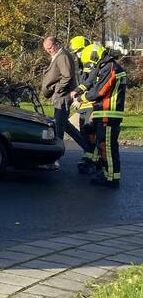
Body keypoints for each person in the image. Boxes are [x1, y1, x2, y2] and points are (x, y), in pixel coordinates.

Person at [78, 45, 127, 187]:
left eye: (91, 62)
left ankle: (111, 178)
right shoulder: (106, 67)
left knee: (108, 148)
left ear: (95, 57)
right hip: (104, 113)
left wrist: (81, 98)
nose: (92, 65)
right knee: (103, 146)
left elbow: (99, 91)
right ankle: (107, 173)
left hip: (108, 114)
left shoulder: (110, 68)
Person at [40, 36, 87, 164]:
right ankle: (89, 148)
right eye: (46, 49)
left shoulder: (63, 56)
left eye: (50, 48)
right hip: (60, 96)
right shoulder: (58, 55)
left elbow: (67, 76)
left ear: (56, 44)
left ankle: (55, 157)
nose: (48, 51)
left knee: (59, 127)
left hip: (62, 96)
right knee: (64, 124)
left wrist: (57, 89)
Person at [69, 36, 99, 173]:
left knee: (90, 132)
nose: (78, 55)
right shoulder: (83, 63)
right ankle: (88, 155)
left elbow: (90, 83)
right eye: (76, 52)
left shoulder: (91, 62)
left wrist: (79, 98)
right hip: (85, 103)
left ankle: (94, 159)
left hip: (91, 102)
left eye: (79, 51)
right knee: (84, 131)